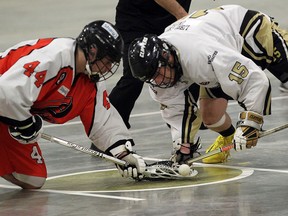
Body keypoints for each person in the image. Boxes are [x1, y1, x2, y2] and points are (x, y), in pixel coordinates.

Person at [128, 5, 288, 164]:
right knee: (211, 116)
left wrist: (251, 123)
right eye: (151, 78)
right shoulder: (160, 69)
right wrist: (183, 148)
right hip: (220, 48)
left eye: (157, 73)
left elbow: (253, 79)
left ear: (167, 56)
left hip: (252, 34)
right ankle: (228, 138)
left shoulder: (200, 55)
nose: (158, 81)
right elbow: (176, 110)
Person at [0, 20, 146, 189]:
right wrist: (25, 123)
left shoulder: (91, 81)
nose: (108, 68)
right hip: (7, 106)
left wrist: (123, 154)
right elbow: (6, 93)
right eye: (107, 61)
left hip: (10, 115)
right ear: (92, 51)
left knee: (33, 178)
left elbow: (103, 121)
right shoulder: (53, 57)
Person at [109, 0, 192, 129]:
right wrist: (182, 16)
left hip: (170, 20)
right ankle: (109, 133)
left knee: (182, 69)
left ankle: (190, 125)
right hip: (137, 19)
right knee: (133, 77)